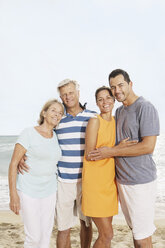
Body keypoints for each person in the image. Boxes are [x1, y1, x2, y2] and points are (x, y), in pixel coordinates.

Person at [18, 79, 95, 248]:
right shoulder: (58, 120)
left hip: (87, 180)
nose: (68, 97)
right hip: (63, 182)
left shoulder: (92, 116)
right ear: (60, 97)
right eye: (64, 95)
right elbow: (41, 136)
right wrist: (23, 156)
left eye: (71, 93)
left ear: (78, 93)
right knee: (63, 228)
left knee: (86, 224)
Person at [89, 69, 160, 248]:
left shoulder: (145, 107)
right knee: (136, 233)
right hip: (122, 183)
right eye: (113, 87)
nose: (117, 90)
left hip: (140, 182)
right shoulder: (119, 111)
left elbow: (148, 146)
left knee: (143, 238)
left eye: (120, 85)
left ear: (130, 84)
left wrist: (110, 152)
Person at [8, 99, 64, 248]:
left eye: (60, 113)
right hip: (28, 191)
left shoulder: (56, 136)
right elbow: (13, 163)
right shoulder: (29, 133)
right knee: (33, 237)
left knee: (45, 236)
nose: (57, 114)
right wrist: (13, 194)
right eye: (53, 110)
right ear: (44, 113)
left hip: (50, 191)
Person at [82, 86, 118, 248]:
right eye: (100, 99)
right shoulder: (95, 121)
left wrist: (113, 151)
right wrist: (114, 151)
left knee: (107, 237)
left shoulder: (116, 122)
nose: (105, 102)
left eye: (108, 97)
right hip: (95, 185)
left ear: (114, 99)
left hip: (110, 184)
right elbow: (89, 154)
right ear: (96, 103)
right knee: (107, 233)